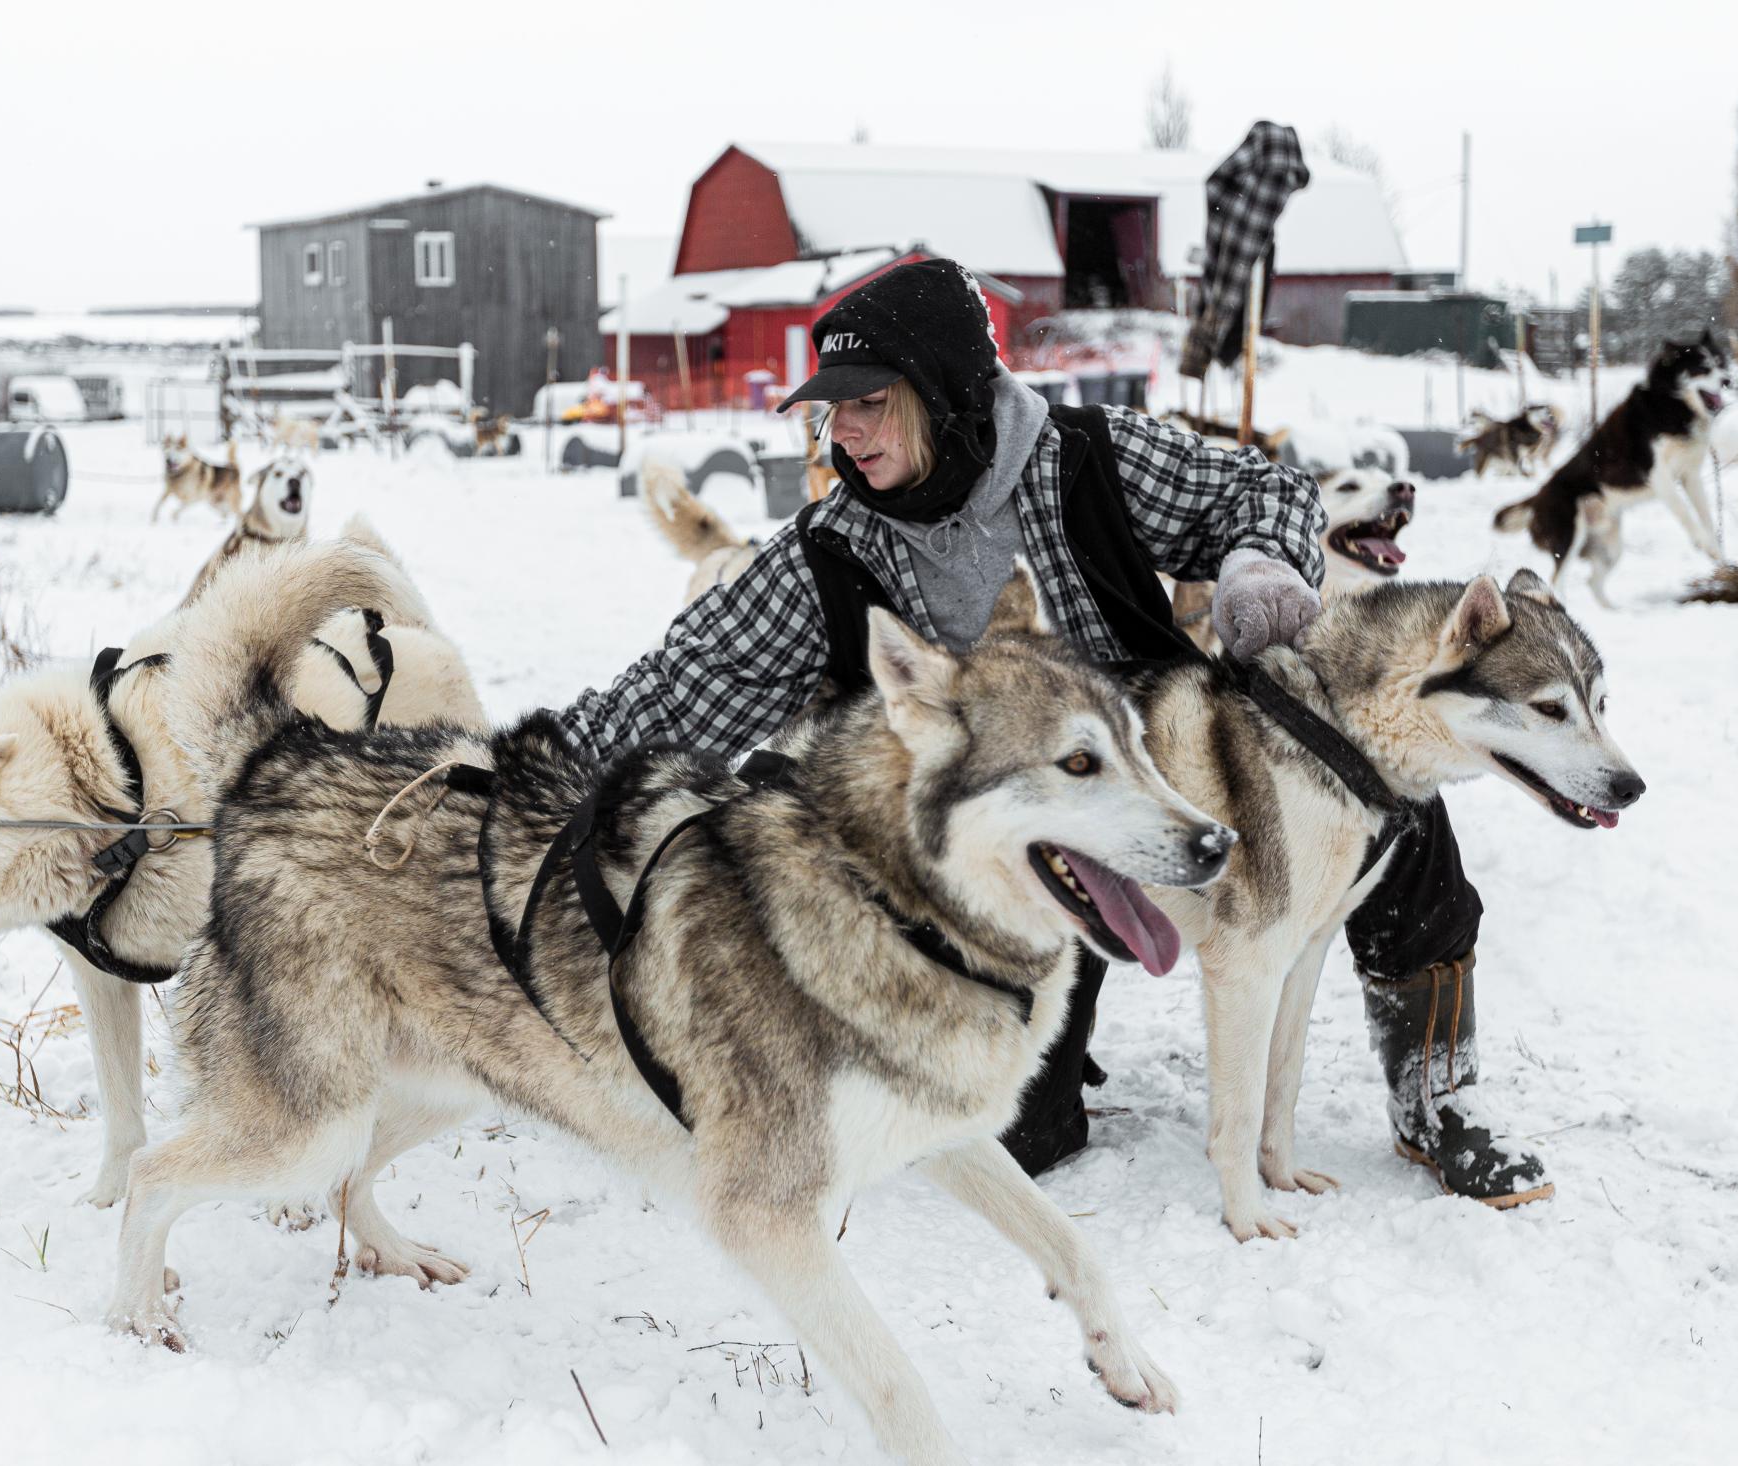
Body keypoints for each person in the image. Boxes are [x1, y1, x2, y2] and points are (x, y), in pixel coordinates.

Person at [557, 258, 1548, 1205]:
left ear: (941, 392)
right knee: (1025, 1139)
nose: (840, 434)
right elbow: (691, 678)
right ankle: (999, 1043)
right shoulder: (834, 546)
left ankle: (1437, 1093)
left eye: (869, 402)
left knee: (1394, 813)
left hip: (1154, 760)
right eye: (831, 407)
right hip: (1007, 841)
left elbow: (1267, 490)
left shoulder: (1084, 456)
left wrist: (1253, 565)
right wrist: (533, 771)